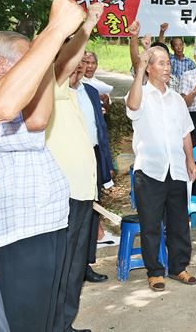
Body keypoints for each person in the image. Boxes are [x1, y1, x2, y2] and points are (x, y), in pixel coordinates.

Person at [0, 0, 85, 332]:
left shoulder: (15, 97)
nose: (38, 62)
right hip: (16, 233)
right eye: (29, 59)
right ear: (2, 66)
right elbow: (5, 108)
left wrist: (49, 39)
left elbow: (40, 116)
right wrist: (53, 31)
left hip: (46, 222)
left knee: (48, 316)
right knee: (23, 319)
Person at [46, 3, 103, 332]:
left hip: (83, 195)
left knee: (74, 266)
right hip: (65, 196)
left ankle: (64, 324)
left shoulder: (71, 95)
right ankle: (54, 325)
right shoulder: (51, 90)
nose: (80, 67)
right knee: (62, 265)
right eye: (75, 64)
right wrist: (87, 26)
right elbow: (65, 62)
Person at [126, 46, 196, 292]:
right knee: (151, 224)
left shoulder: (177, 99)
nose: (167, 68)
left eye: (168, 63)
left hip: (176, 169)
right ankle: (155, 271)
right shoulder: (141, 94)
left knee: (179, 221)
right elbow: (133, 106)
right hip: (150, 170)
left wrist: (190, 160)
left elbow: (186, 132)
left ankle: (179, 267)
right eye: (161, 63)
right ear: (149, 67)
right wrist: (139, 71)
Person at [73, 53, 115, 284]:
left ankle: (86, 264)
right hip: (72, 160)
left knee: (91, 212)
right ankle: (70, 266)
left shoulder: (89, 92)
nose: (82, 67)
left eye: (86, 62)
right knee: (74, 215)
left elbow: (101, 130)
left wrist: (106, 163)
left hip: (94, 156)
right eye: (79, 62)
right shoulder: (59, 93)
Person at [158, 23, 196, 93]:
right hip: (170, 90)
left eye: (181, 45)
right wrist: (162, 32)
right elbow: (161, 47)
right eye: (176, 45)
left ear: (183, 46)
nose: (179, 48)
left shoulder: (190, 63)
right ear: (172, 47)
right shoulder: (169, 59)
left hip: (185, 92)